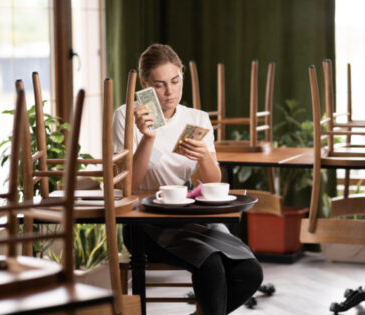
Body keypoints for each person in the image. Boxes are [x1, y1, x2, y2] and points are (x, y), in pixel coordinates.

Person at [113, 43, 263, 315]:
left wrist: (204, 155)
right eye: (159, 85)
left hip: (193, 217)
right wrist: (147, 137)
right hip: (144, 223)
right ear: (145, 84)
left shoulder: (197, 118)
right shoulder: (125, 116)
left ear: (182, 76)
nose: (170, 92)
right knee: (211, 265)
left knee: (250, 271)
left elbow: (213, 183)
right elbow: (128, 186)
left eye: (175, 81)